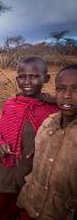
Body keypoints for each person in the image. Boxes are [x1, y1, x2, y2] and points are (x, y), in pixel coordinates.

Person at [0, 57, 59, 220]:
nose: (27, 81)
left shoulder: (53, 111)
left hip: (33, 177)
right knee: (1, 211)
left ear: (46, 78)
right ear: (17, 78)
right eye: (22, 76)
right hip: (5, 173)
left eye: (34, 76)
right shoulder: (11, 104)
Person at [17, 64, 77, 220]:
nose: (67, 95)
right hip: (30, 205)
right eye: (60, 89)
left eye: (76, 90)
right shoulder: (47, 125)